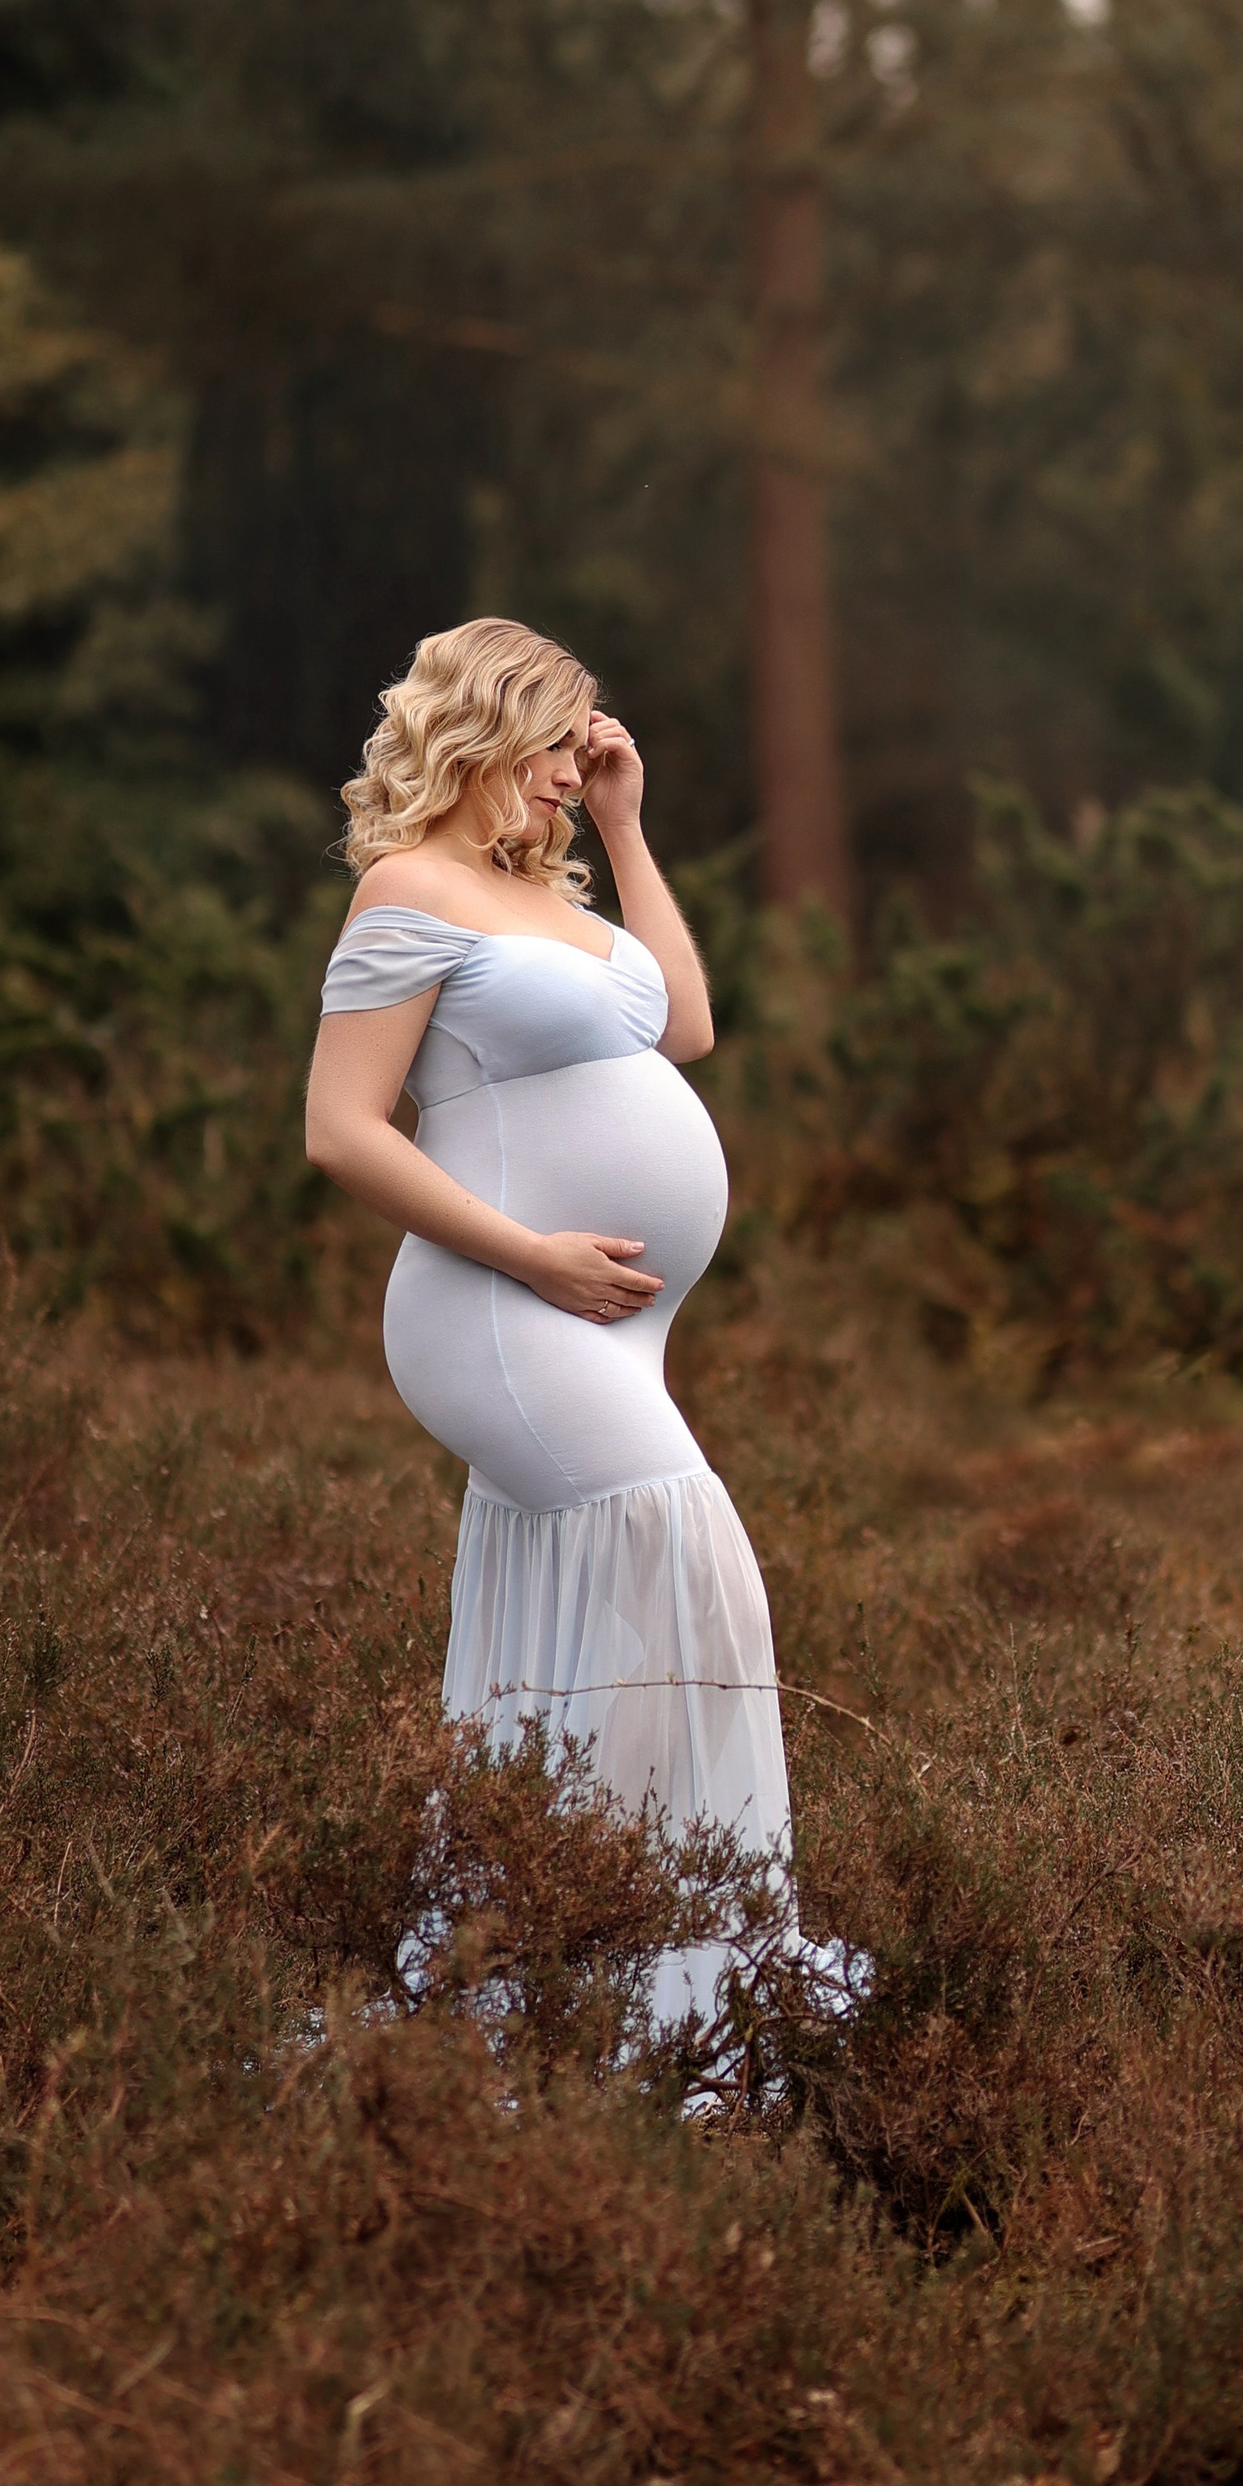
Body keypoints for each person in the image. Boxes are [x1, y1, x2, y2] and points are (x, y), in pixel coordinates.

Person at [304, 616, 799, 2028]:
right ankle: (671, 1975)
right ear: (481, 727)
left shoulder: (568, 906)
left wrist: (632, 831)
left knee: (606, 1621)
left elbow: (687, 1024)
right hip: (504, 1311)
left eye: (587, 757)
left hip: (609, 1325)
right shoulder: (412, 885)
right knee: (695, 1574)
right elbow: (339, 1130)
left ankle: (586, 1974)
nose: (574, 776)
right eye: (559, 745)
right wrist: (532, 1255)